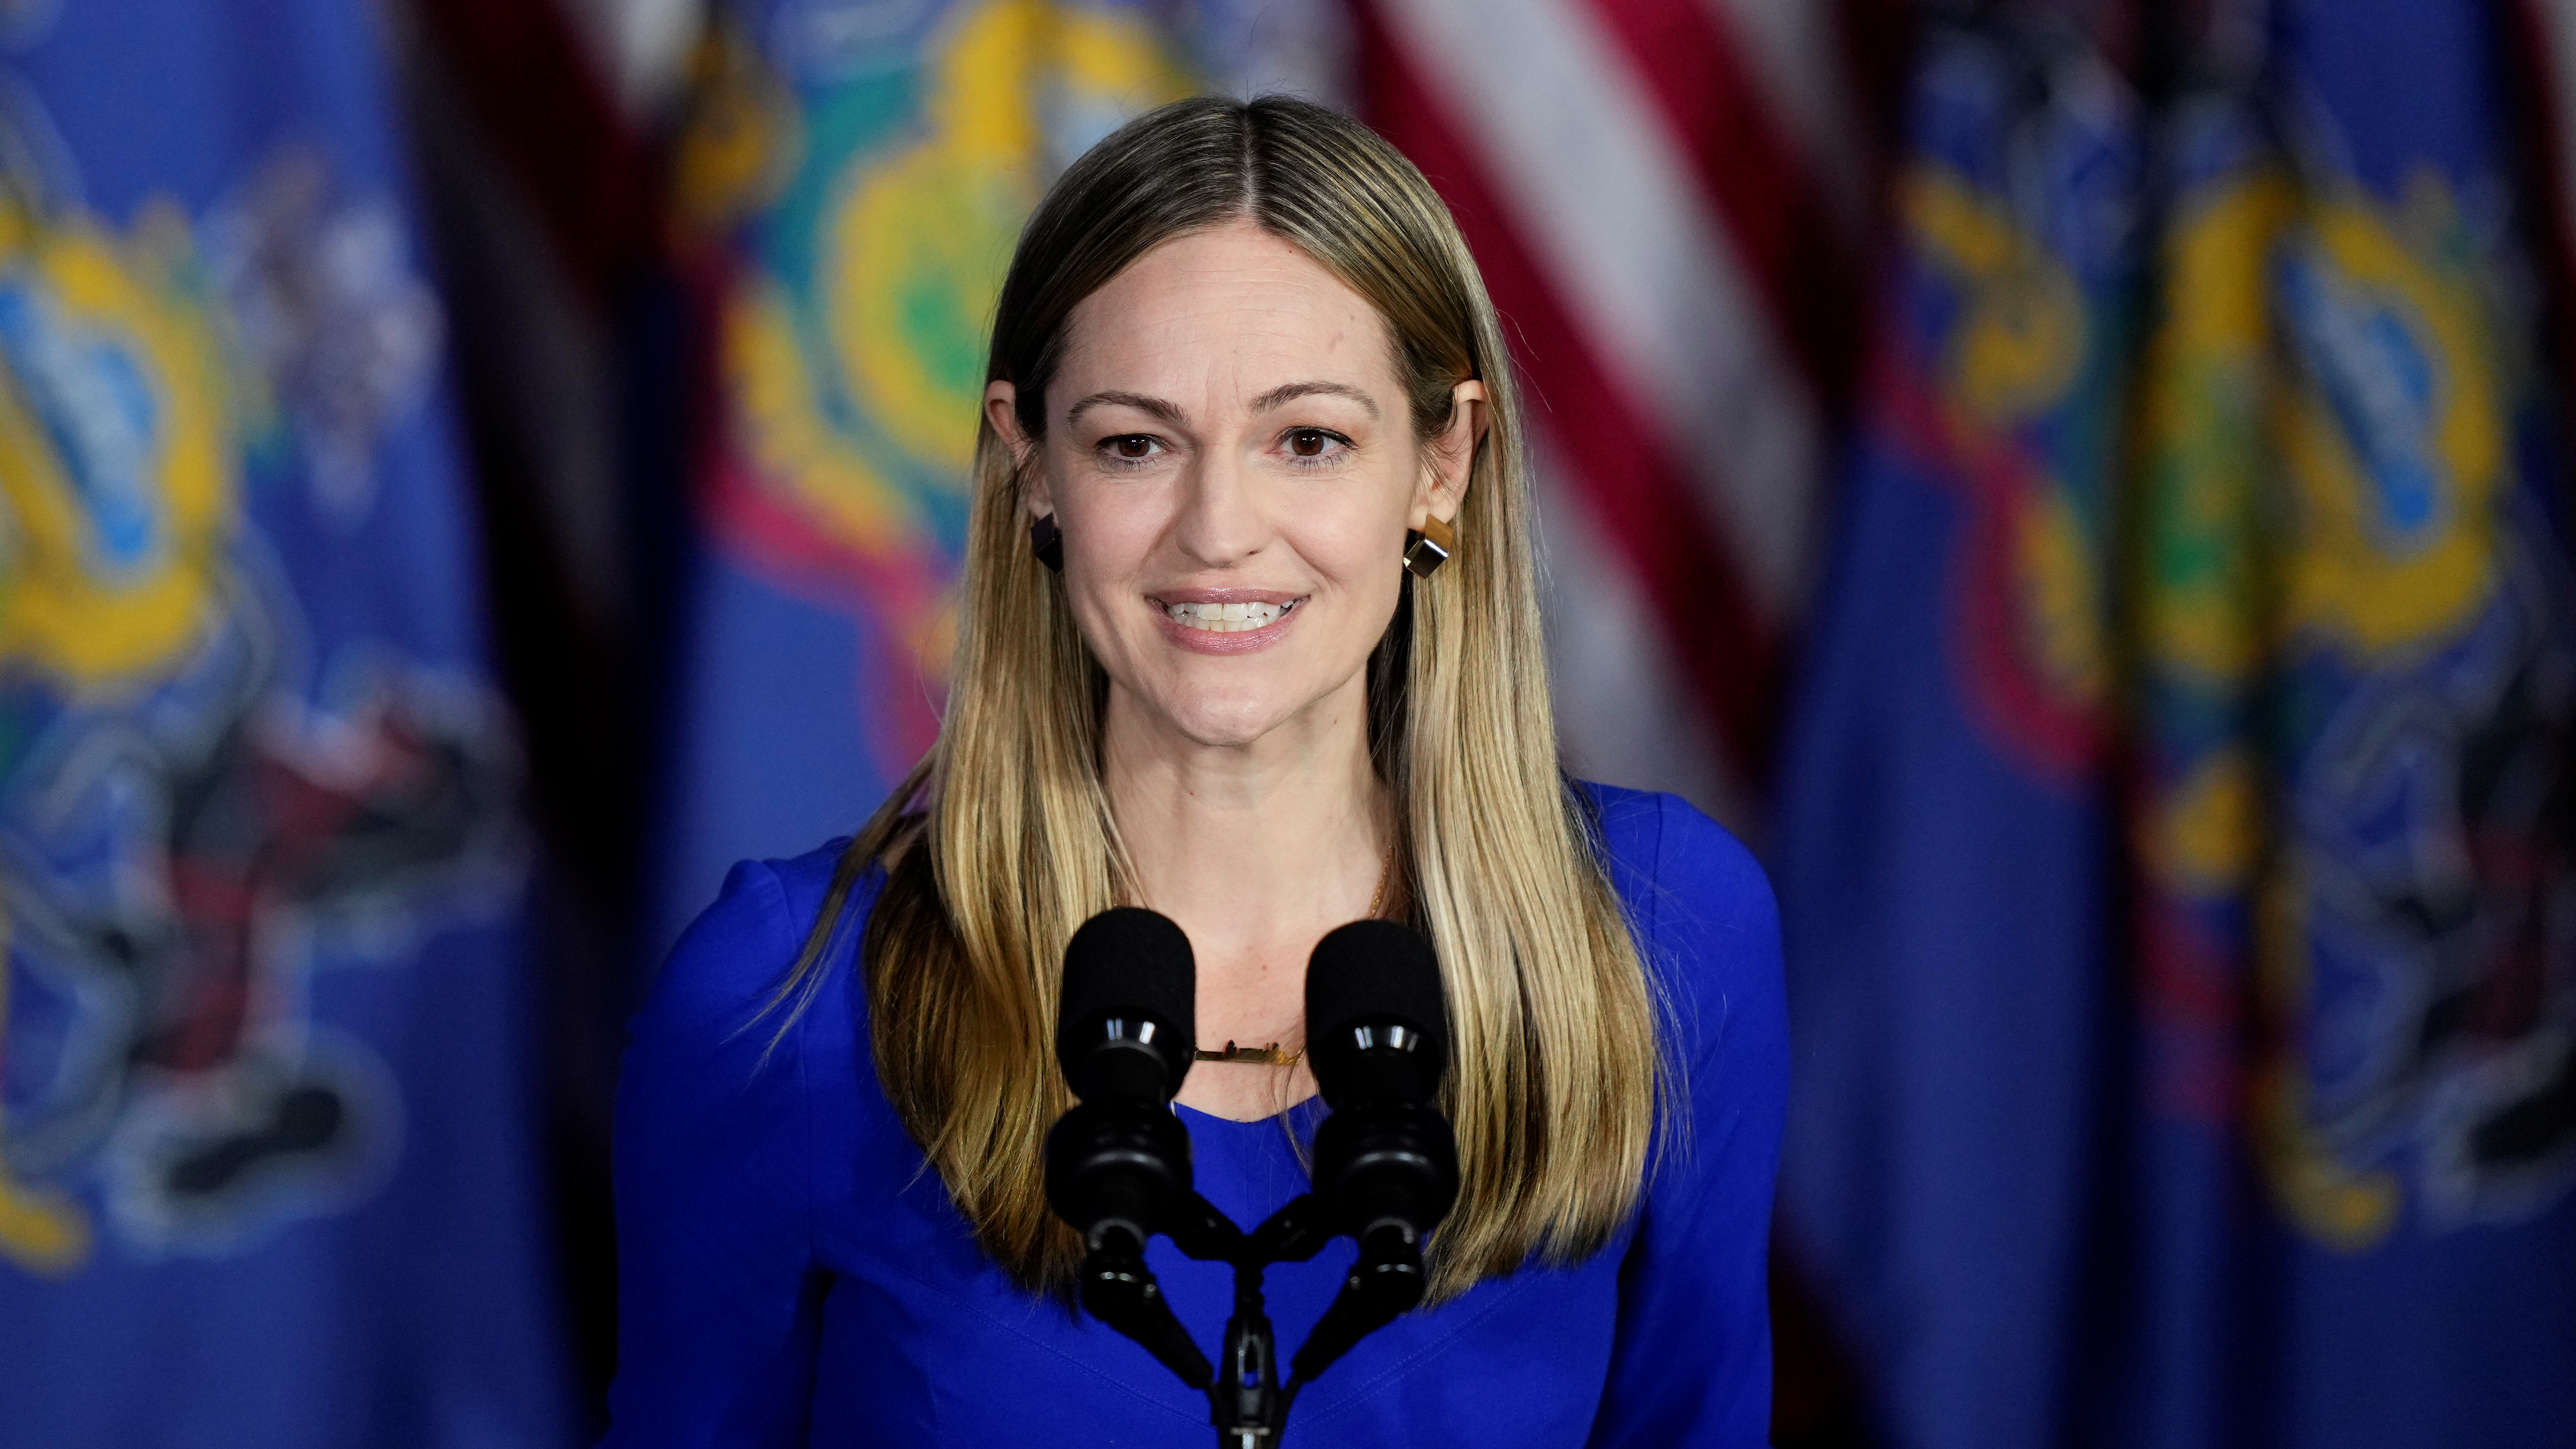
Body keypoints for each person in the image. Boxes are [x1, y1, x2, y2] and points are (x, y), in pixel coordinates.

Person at [604, 94, 1785, 1447]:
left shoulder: (1665, 933)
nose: (1220, 529)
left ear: (1441, 463)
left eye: (1309, 440)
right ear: (1033, 467)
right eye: (1136, 443)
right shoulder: (785, 996)